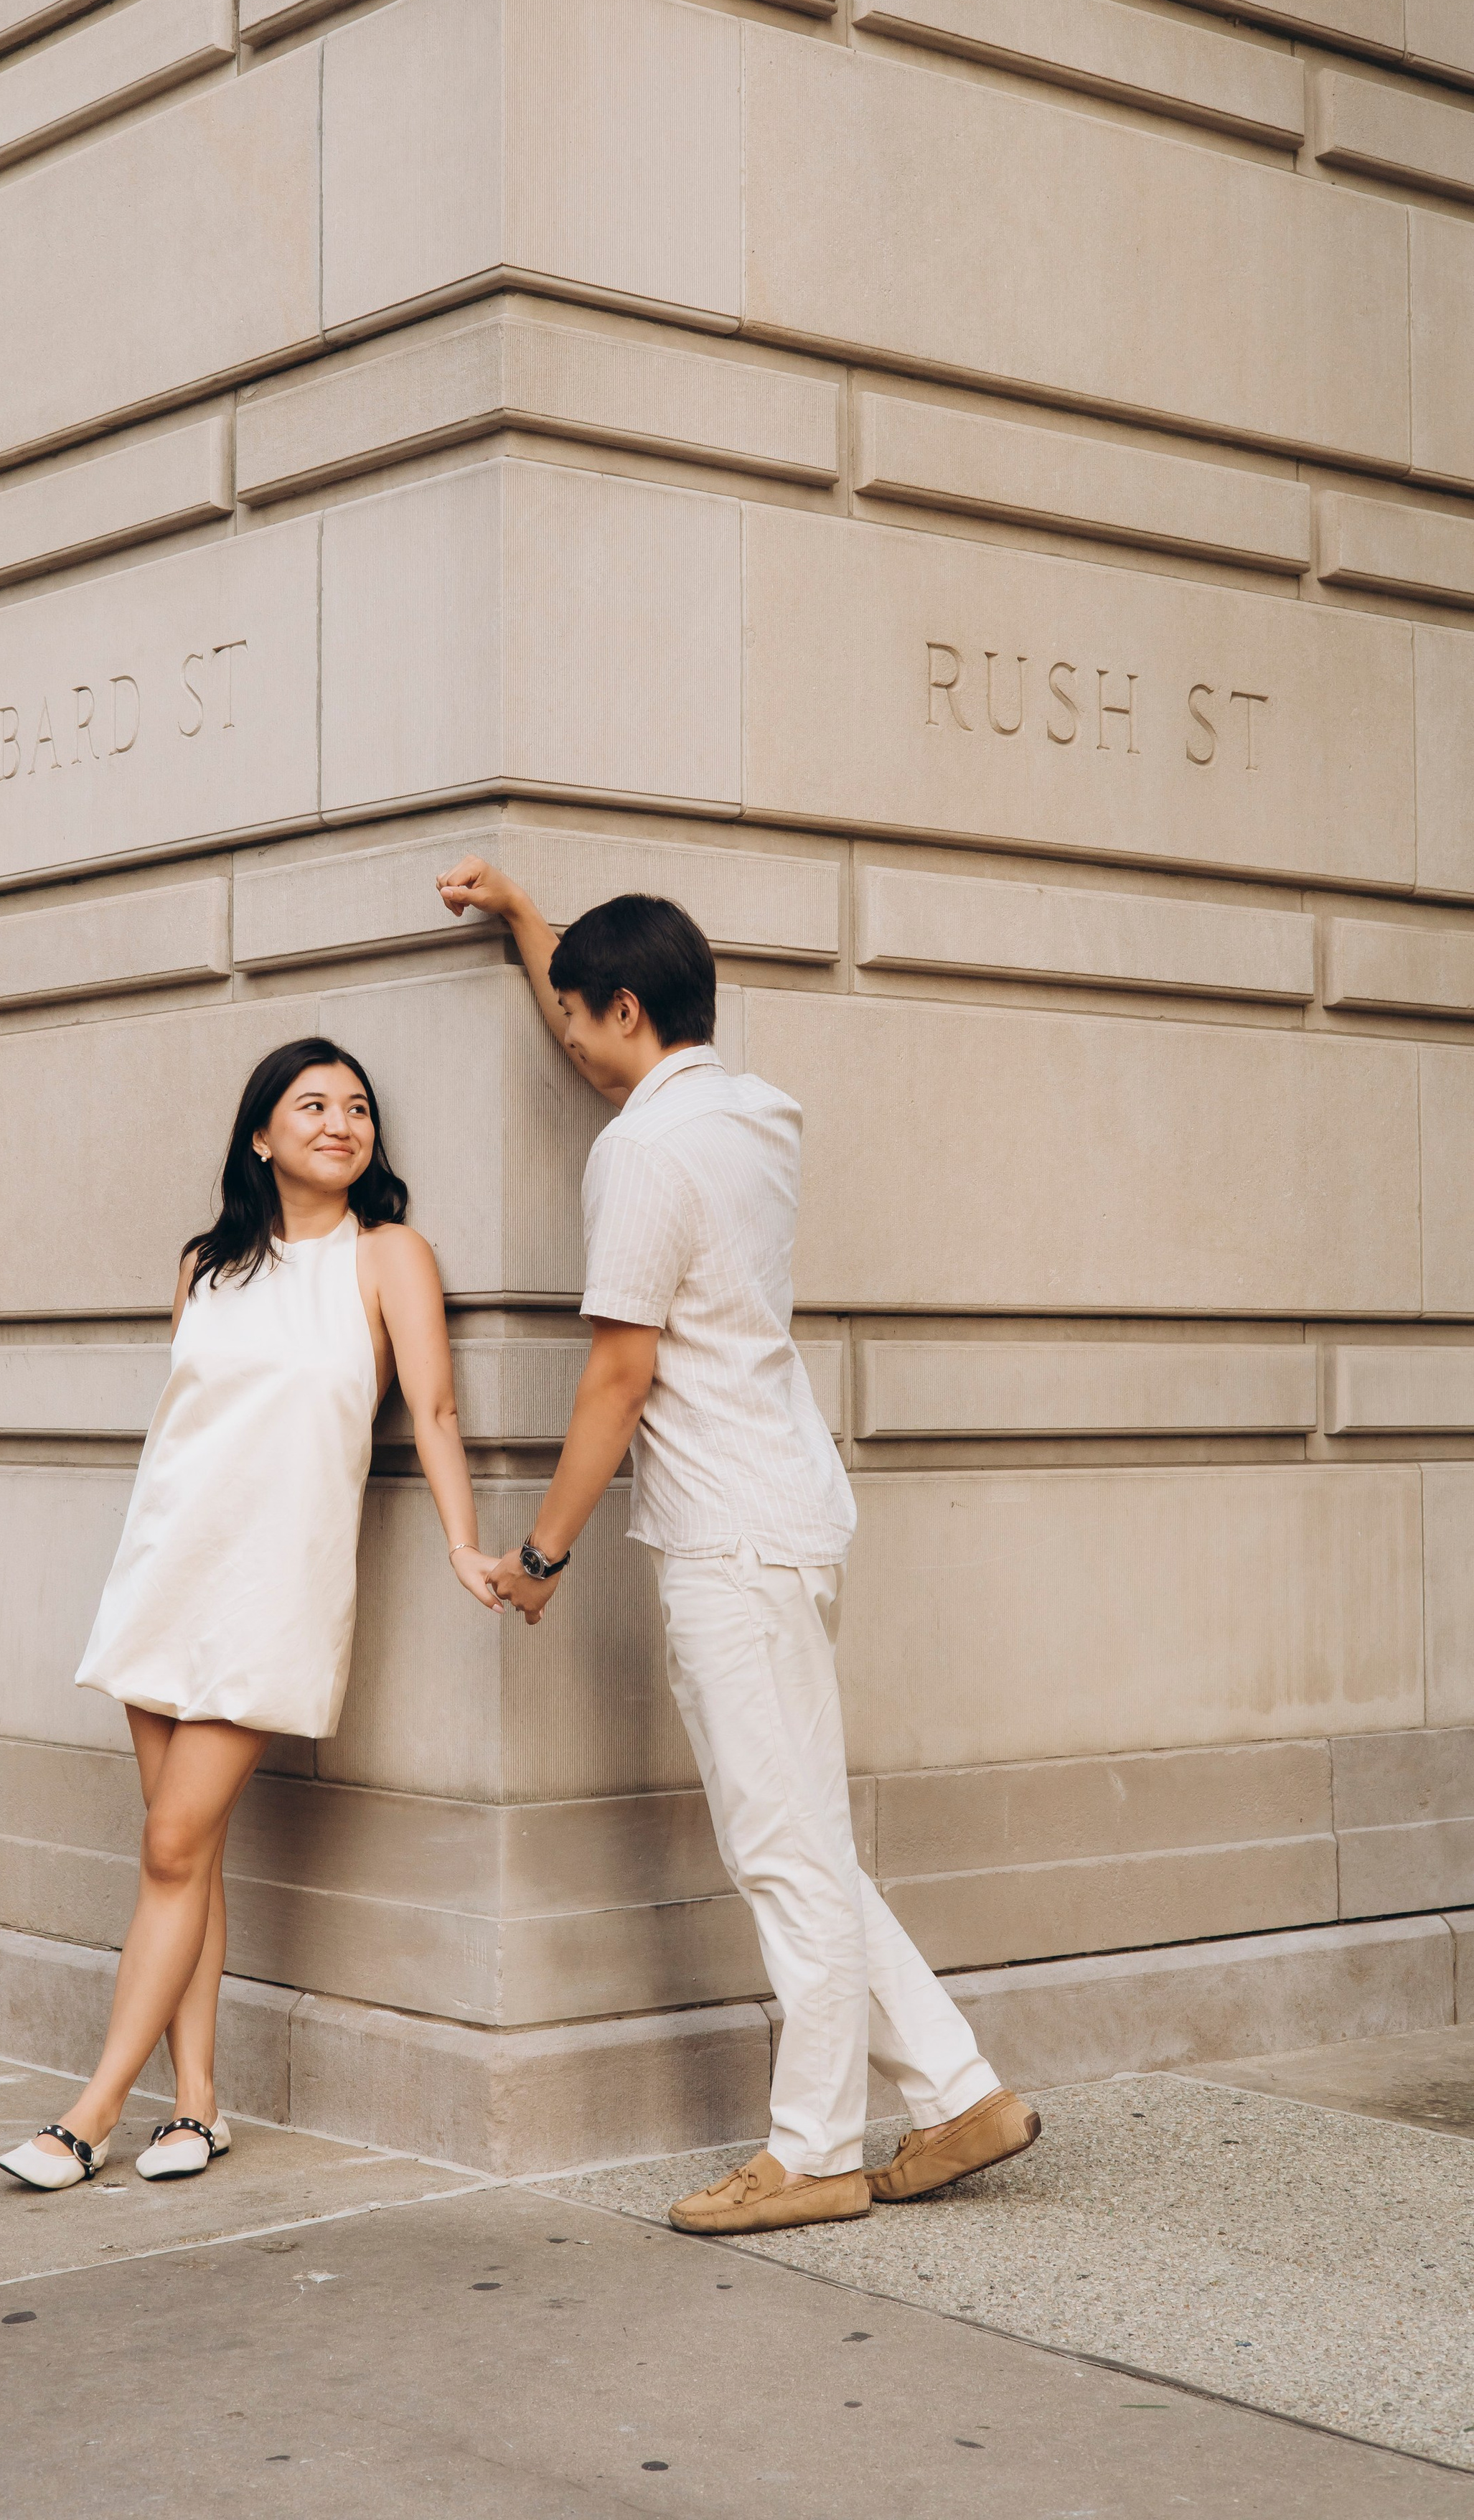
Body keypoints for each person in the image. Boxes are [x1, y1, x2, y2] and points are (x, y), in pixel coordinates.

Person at [433, 861, 1040, 2234]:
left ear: (629, 1009)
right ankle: (955, 2092)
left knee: (780, 1853)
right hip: (791, 1514)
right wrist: (538, 925)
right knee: (811, 1837)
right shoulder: (750, 1115)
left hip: (730, 1540)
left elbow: (617, 1376)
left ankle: (814, 2148)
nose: (571, 1047)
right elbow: (610, 1040)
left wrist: (541, 1557)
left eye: (581, 1020)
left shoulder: (643, 1151)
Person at [0, 1037, 500, 2191]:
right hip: (167, 1569)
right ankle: (200, 2107)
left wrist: (464, 1545)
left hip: (274, 1587)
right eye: (312, 1104)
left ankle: (92, 2112)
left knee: (170, 1845)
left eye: (360, 1107)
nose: (342, 1122)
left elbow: (430, 1405)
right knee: (191, 1854)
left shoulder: (389, 1257)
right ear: (261, 1135)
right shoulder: (204, 1267)